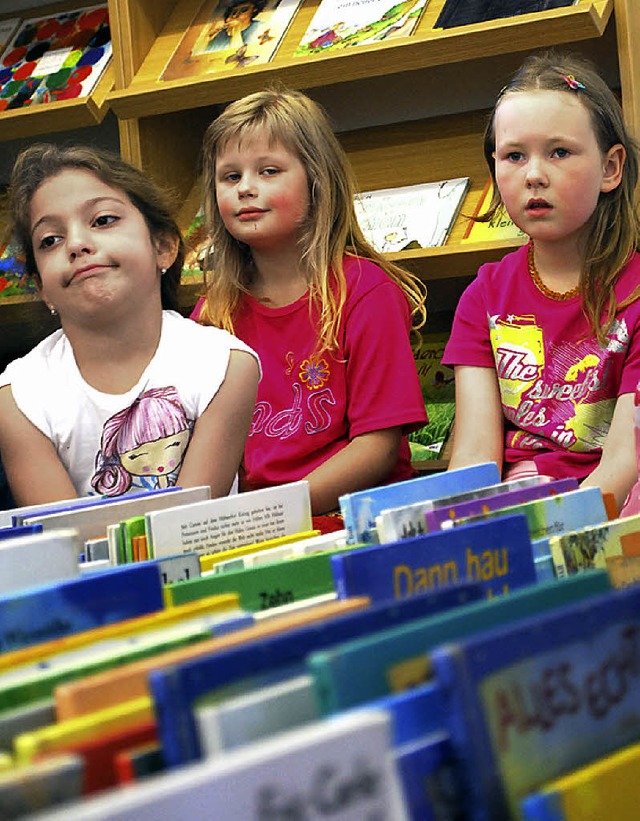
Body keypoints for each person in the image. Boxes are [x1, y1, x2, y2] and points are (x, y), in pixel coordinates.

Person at [191, 88, 427, 515]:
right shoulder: (212, 314)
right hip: (249, 528)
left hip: (355, 521)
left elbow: (377, 447)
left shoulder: (366, 291)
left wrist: (271, 514)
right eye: (230, 176)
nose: (246, 188)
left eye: (268, 171)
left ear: (317, 181)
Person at [0, 144, 260, 506]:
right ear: (42, 288)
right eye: (50, 240)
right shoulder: (19, 397)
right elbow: (67, 545)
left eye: (103, 220)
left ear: (163, 246)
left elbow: (187, 526)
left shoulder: (224, 365)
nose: (76, 244)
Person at [443, 52, 640, 512]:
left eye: (559, 152)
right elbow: (474, 458)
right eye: (514, 155)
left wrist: (560, 534)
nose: (533, 174)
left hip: (618, 501)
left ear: (611, 168)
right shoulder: (484, 297)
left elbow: (625, 462)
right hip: (521, 499)